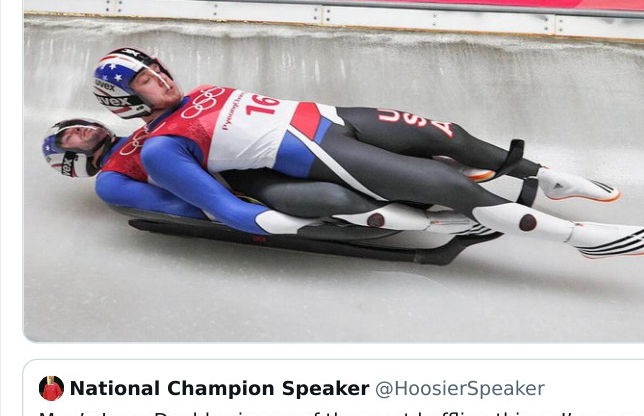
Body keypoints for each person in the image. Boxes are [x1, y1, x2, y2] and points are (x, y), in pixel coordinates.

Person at [91, 47, 644, 259]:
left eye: (156, 67)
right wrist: (291, 227)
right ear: (124, 100)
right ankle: (578, 239)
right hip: (318, 153)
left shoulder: (198, 94)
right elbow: (223, 208)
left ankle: (547, 178)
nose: (160, 78)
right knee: (448, 184)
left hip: (336, 117)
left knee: (450, 136)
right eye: (144, 80)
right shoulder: (163, 148)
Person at [43, 118, 494, 240]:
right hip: (241, 185)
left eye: (75, 125)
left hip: (256, 150)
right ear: (71, 160)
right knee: (330, 191)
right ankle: (433, 222)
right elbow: (180, 205)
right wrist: (237, 212)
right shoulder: (111, 179)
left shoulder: (145, 128)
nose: (78, 131)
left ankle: (443, 176)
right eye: (69, 138)